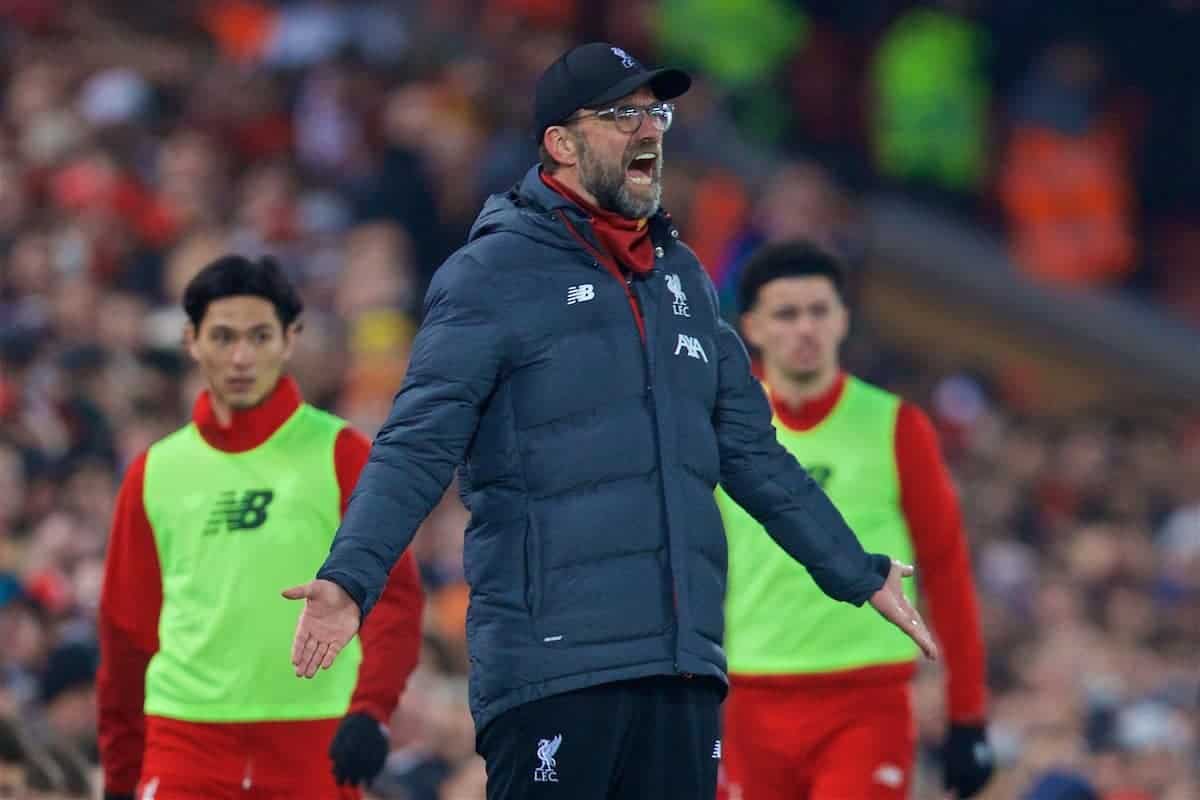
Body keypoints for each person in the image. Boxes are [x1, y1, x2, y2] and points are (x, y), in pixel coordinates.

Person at [284, 42, 937, 800]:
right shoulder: (493, 274)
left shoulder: (683, 280)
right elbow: (415, 443)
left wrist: (853, 570)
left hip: (682, 671)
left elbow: (755, 455)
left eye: (654, 113)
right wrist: (350, 577)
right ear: (560, 144)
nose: (649, 131)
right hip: (554, 668)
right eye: (621, 114)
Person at [97, 255, 424, 800]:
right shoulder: (153, 471)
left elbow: (395, 598)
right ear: (191, 340)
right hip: (183, 740)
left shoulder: (341, 453)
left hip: (313, 737)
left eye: (259, 336)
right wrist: (119, 776)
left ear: (289, 339)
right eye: (222, 337)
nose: (241, 356)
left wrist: (372, 710)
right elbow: (126, 635)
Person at [717, 241, 993, 799]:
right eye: (786, 314)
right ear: (751, 326)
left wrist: (969, 714)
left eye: (819, 311)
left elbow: (946, 571)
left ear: (843, 319)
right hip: (746, 699)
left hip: (865, 702)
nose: (805, 329)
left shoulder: (896, 427)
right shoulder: (719, 427)